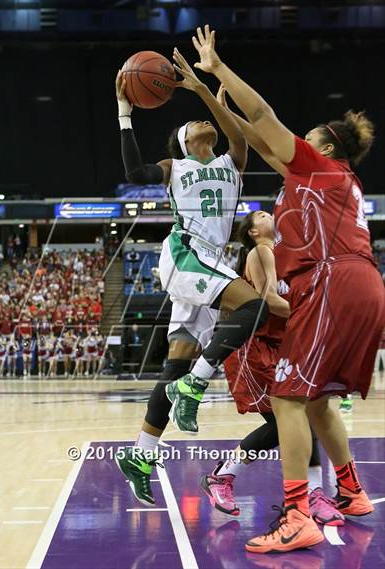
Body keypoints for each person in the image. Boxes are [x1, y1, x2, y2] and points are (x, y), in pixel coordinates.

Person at [191, 25, 384, 553]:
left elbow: (266, 121)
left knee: (287, 397)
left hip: (331, 280)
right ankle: (351, 492)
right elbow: (257, 136)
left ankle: (298, 513)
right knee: (319, 400)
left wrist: (218, 69)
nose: (299, 139)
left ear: (326, 147)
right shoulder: (325, 179)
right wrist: (213, 100)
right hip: (360, 283)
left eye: (309, 135)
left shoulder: (322, 168)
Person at [114, 50, 269, 505]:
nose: (204, 123)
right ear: (182, 143)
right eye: (194, 124)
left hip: (212, 264)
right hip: (187, 256)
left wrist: (206, 91)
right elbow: (134, 171)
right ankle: (198, 383)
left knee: (175, 362)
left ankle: (141, 454)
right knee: (254, 306)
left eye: (207, 121)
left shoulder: (229, 164)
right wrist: (125, 112)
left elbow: (240, 132)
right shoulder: (175, 169)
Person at [202, 212, 344, 526]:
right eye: (264, 215)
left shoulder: (283, 256)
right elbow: (268, 299)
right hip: (254, 347)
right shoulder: (260, 251)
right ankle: (223, 476)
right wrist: (310, 313)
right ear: (253, 231)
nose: (271, 215)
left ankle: (312, 493)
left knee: (301, 419)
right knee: (288, 423)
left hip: (279, 347)